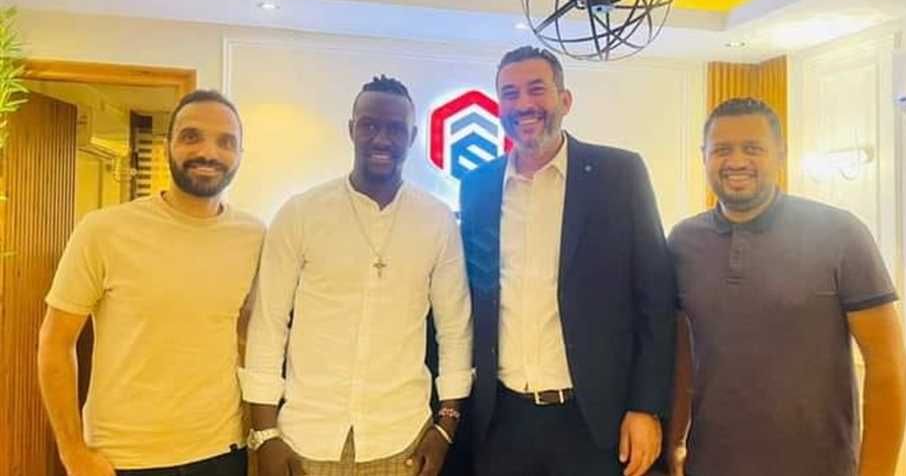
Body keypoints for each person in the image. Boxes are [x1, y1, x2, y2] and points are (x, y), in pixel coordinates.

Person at [459, 46, 676, 476]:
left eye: (536, 89)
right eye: (510, 93)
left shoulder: (619, 174)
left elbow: (655, 298)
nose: (523, 104)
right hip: (502, 420)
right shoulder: (477, 186)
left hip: (594, 419)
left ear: (565, 100)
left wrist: (646, 406)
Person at [241, 75, 472, 476]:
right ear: (351, 129)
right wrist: (265, 434)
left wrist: (445, 427)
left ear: (412, 136)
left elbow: (455, 330)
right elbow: (268, 324)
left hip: (402, 439)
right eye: (369, 125)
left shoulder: (436, 221)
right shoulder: (301, 213)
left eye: (395, 128)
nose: (381, 139)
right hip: (306, 441)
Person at [666, 97, 906, 476]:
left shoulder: (840, 234)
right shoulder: (682, 242)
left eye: (753, 148)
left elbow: (886, 363)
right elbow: (680, 359)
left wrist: (877, 472)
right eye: (722, 150)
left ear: (780, 154)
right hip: (710, 465)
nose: (737, 161)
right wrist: (673, 445)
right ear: (704, 156)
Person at [38, 89, 265, 475]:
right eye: (191, 136)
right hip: (124, 458)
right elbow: (55, 343)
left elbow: (245, 335)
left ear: (240, 155)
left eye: (226, 142)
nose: (208, 152)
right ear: (166, 147)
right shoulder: (104, 230)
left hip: (223, 453)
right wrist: (72, 452)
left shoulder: (254, 236)